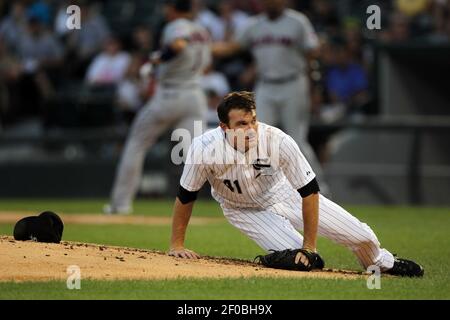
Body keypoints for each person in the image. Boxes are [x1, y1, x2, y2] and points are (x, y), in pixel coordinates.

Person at [167, 91, 424, 277]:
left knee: (362, 236)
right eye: (242, 124)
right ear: (224, 127)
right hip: (242, 209)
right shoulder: (203, 148)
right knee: (301, 262)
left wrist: (309, 245)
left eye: (253, 120)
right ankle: (281, 258)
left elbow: (309, 191)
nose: (250, 128)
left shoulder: (277, 141)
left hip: (285, 195)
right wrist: (177, 244)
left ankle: (382, 262)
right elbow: (186, 195)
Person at [212, 0, 330, 195]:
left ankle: (320, 192)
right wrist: (202, 46)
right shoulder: (254, 25)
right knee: (256, 139)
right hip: (265, 85)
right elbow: (232, 47)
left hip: (293, 83)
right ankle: (263, 192)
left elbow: (313, 53)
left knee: (297, 140)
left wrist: (314, 88)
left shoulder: (297, 21)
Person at [104, 0, 211, 214]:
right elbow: (207, 61)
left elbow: (178, 45)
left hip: (170, 95)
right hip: (195, 96)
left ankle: (120, 204)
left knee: (136, 144)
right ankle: (234, 196)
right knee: (197, 155)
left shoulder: (176, 25)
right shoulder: (202, 30)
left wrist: (156, 61)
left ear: (173, 8)